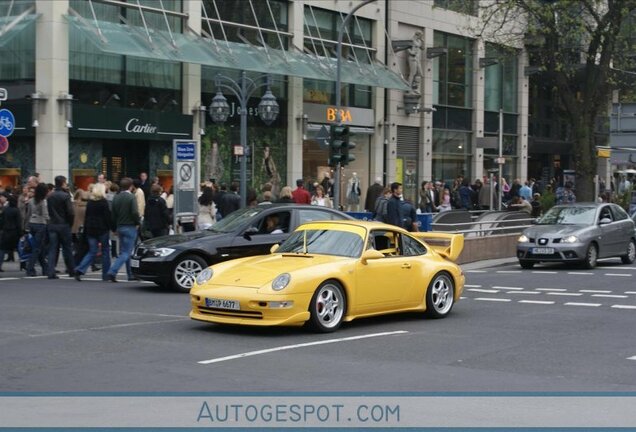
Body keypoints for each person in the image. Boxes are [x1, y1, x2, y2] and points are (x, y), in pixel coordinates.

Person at [74, 183, 112, 281]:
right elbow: (107, 217)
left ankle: (80, 269)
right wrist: (112, 227)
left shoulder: (90, 202)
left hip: (91, 229)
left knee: (92, 251)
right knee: (105, 251)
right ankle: (105, 274)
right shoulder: (103, 202)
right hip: (102, 228)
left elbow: (87, 216)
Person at [106, 177, 140, 282]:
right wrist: (137, 222)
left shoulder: (117, 197)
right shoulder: (131, 198)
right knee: (127, 252)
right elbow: (134, 212)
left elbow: (113, 214)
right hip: (129, 226)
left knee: (124, 252)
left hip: (120, 226)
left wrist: (114, 227)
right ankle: (112, 271)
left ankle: (130, 274)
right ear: (131, 186)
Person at [46, 176, 75, 279]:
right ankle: (71, 270)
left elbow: (49, 211)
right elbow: (70, 212)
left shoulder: (50, 196)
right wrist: (70, 223)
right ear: (63, 183)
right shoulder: (65, 196)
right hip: (63, 224)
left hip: (53, 223)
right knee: (67, 248)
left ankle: (50, 271)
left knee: (53, 248)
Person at [25, 183, 49, 277]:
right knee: (37, 248)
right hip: (41, 224)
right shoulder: (43, 202)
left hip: (32, 223)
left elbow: (28, 214)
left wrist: (26, 226)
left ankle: (45, 268)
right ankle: (30, 268)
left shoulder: (31, 201)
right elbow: (45, 215)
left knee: (39, 247)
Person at [0, 195, 22, 272]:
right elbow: (19, 223)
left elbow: (1, 221)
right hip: (14, 232)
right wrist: (21, 233)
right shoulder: (16, 210)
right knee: (19, 249)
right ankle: (23, 265)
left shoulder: (5, 210)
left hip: (6, 231)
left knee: (2, 249)